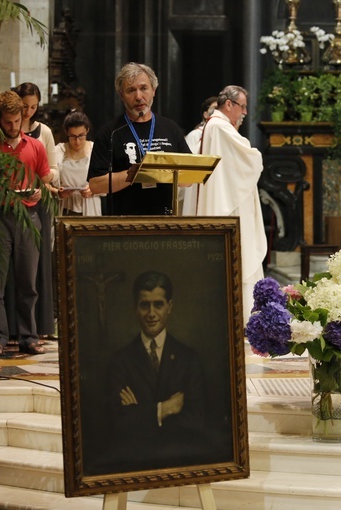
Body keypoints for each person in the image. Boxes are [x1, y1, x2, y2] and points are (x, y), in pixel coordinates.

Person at [0, 91, 52, 356]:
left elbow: (43, 179)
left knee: (28, 283)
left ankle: (28, 336)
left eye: (17, 121)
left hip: (28, 217)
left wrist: (40, 190)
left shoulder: (35, 147)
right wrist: (1, 195)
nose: (13, 126)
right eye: (8, 122)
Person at [107, 271, 207, 471]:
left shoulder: (189, 359)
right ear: (135, 308)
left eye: (158, 304)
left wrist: (140, 415)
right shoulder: (120, 362)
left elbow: (196, 422)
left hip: (180, 462)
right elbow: (117, 424)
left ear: (169, 307)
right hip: (132, 464)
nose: (151, 314)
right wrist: (166, 409)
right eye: (145, 305)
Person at [195, 86, 266, 320]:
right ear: (229, 105)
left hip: (230, 195)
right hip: (230, 201)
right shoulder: (219, 126)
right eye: (242, 106)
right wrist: (256, 154)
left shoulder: (217, 126)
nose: (245, 112)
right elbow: (251, 159)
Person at [88, 62, 191, 215]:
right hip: (123, 222)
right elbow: (96, 185)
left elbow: (188, 179)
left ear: (154, 90)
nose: (138, 96)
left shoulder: (170, 128)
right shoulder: (111, 132)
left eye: (143, 88)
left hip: (166, 219)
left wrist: (159, 172)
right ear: (121, 95)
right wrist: (135, 173)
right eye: (131, 90)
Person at [13, 83, 58, 341]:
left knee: (39, 263)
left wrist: (41, 177)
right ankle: (12, 326)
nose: (29, 112)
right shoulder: (1, 129)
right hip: (11, 201)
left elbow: (54, 169)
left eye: (33, 106)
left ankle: (40, 324)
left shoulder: (46, 133)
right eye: (24, 106)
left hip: (39, 199)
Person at [56, 110, 101, 216]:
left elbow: (107, 180)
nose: (77, 141)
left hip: (89, 204)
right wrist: (59, 192)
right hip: (65, 206)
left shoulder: (95, 150)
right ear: (66, 133)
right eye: (73, 136)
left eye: (81, 136)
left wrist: (93, 189)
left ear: (87, 130)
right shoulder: (58, 150)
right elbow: (48, 182)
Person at [180, 96, 217, 216]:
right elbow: (188, 164)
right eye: (214, 109)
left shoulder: (220, 134)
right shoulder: (195, 135)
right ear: (206, 114)